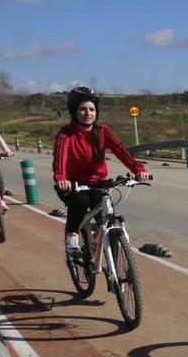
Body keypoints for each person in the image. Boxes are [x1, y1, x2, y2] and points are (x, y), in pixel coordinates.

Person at [52, 87, 149, 257]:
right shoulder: (66, 134)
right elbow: (60, 157)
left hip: (97, 183)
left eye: (91, 109)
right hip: (73, 184)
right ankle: (72, 236)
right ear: (74, 111)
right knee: (81, 201)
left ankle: (102, 245)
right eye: (82, 109)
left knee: (106, 210)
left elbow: (121, 151)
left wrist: (138, 168)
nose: (88, 113)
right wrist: (61, 177)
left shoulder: (103, 131)